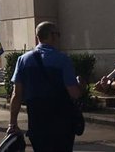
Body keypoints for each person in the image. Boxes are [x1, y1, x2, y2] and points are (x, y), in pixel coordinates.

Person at [7, 21, 81, 152]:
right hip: (61, 120)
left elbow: (17, 94)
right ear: (52, 36)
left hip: (36, 119)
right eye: (58, 34)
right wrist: (81, 84)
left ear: (37, 37)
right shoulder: (63, 60)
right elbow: (74, 93)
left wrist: (13, 123)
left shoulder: (23, 60)